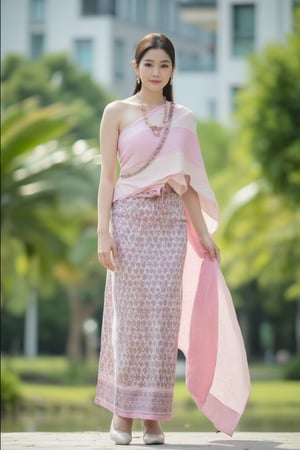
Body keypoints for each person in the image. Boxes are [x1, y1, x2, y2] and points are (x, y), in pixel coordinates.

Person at [95, 33, 250, 445]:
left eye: (164, 66)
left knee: (163, 322)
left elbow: (189, 186)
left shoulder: (183, 118)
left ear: (173, 70)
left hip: (168, 226)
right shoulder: (116, 112)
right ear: (135, 67)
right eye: (149, 65)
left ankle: (152, 420)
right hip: (127, 222)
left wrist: (202, 234)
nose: (156, 72)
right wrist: (103, 232)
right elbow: (108, 177)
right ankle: (122, 415)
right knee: (128, 322)